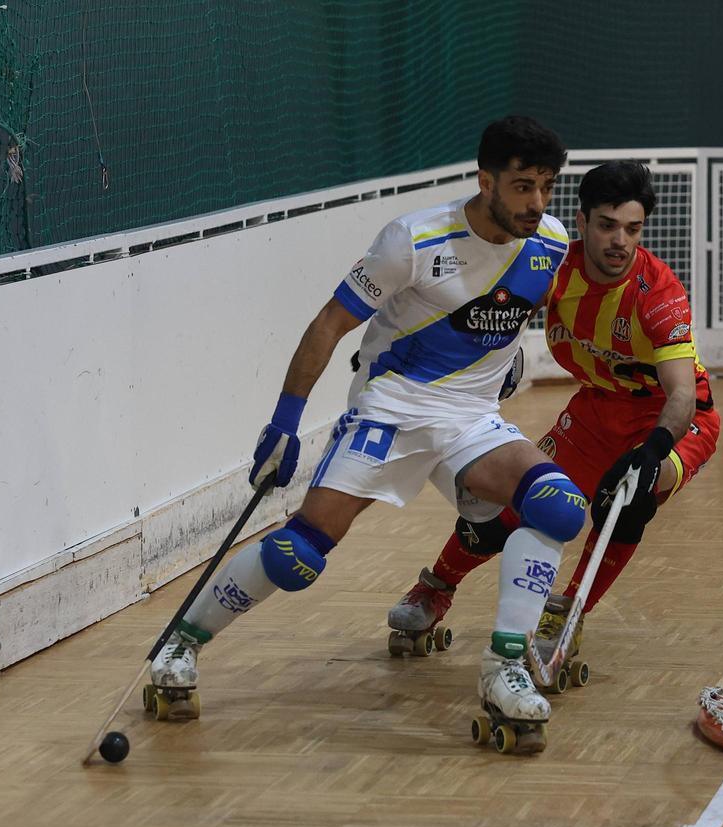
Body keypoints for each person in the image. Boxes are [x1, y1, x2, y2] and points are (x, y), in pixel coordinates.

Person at [147, 116, 585, 749]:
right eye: (522, 186)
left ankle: (506, 669)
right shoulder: (412, 238)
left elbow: (515, 315)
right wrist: (285, 423)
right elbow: (329, 323)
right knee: (297, 554)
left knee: (558, 507)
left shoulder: (549, 239)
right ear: (484, 179)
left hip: (470, 417)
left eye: (546, 186)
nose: (536, 203)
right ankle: (180, 643)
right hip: (392, 407)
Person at [387, 161, 720, 672]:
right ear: (581, 222)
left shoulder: (659, 294)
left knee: (626, 499)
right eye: (607, 225)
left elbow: (681, 395)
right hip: (594, 409)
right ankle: (436, 588)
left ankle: (567, 611)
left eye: (633, 229)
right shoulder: (552, 269)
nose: (620, 242)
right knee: (518, 506)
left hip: (672, 422)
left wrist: (653, 452)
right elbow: (495, 317)